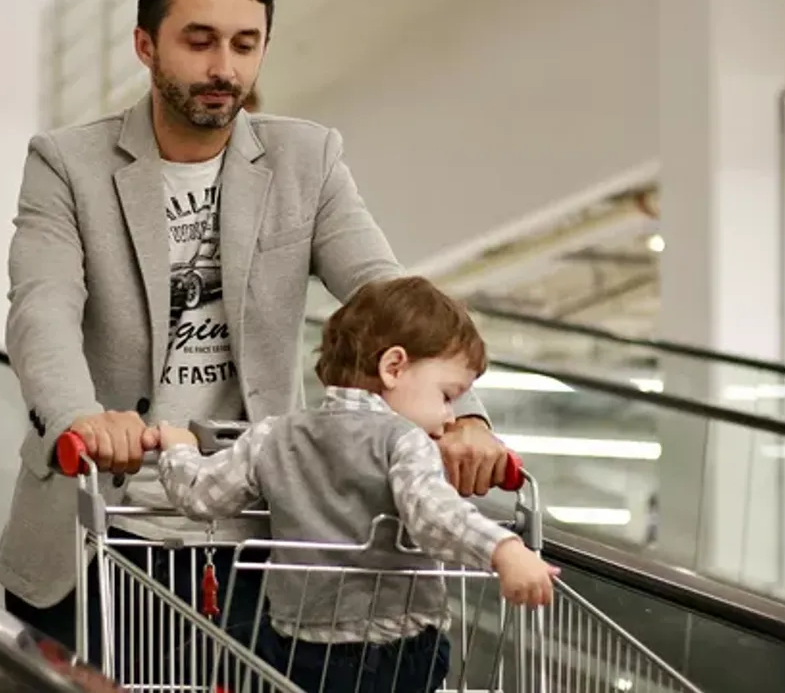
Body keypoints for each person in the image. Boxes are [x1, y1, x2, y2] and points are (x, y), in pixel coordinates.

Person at [0, 0, 510, 662]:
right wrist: (82, 417)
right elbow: (40, 307)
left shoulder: (307, 159)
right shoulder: (65, 164)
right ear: (145, 44)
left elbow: (386, 291)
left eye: (245, 44)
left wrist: (466, 418)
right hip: (98, 531)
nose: (223, 68)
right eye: (199, 42)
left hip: (259, 536)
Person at [154, 276, 556, 692]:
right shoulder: (405, 442)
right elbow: (434, 516)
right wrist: (504, 550)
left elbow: (200, 496)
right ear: (393, 367)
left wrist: (178, 450)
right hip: (394, 654)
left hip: (297, 647)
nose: (452, 417)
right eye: (447, 395)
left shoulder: (274, 434)